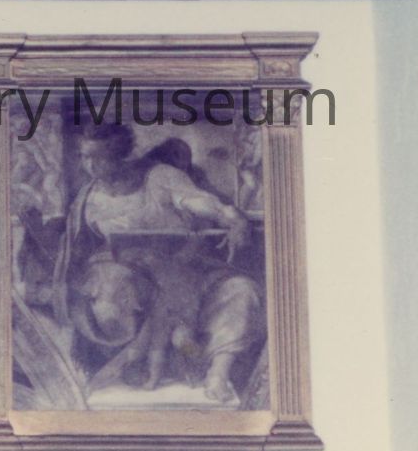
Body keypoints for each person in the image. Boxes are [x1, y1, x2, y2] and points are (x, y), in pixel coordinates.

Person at [59, 122, 267, 405]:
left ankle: (217, 373)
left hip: (185, 266)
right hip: (122, 274)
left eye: (100, 157)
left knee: (242, 290)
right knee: (114, 301)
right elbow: (77, 251)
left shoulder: (159, 177)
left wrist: (228, 216)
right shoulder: (87, 197)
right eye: (85, 157)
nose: (91, 165)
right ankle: (145, 365)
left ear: (120, 154)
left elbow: (197, 201)